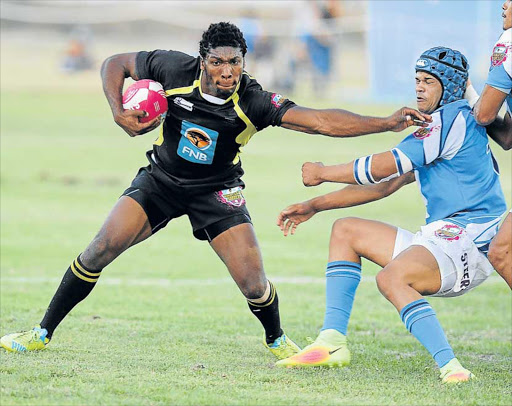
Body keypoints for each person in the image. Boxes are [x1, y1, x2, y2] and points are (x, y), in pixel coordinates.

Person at [0, 22, 428, 357]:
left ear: (244, 61)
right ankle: (42, 331)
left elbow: (321, 121)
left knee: (253, 283)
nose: (228, 71)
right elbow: (115, 62)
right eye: (220, 62)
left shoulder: (254, 101)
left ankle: (276, 339)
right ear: (203, 60)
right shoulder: (172, 68)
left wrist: (386, 123)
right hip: (161, 181)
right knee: (100, 248)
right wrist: (118, 112)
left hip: (217, 191)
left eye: (236, 62)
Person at [275, 47, 507, 383]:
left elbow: (380, 167)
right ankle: (332, 342)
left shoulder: (448, 121)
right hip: (445, 237)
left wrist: (323, 171)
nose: (419, 88)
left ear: (450, 86)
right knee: (345, 232)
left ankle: (451, 367)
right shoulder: (451, 121)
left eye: (428, 81)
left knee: (391, 278)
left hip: (472, 240)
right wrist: (315, 205)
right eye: (417, 80)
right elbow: (384, 185)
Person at [465, 0, 512, 288]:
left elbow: (484, 114)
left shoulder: (508, 42)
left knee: (502, 251)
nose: (504, 5)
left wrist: (467, 92)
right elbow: (508, 136)